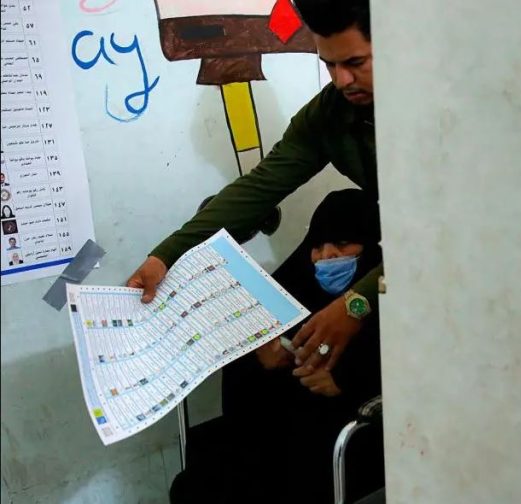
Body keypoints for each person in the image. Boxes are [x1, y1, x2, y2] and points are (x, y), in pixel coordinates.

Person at [127, 0, 380, 374]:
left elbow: (445, 232)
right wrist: (165, 256)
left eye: (355, 63)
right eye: (329, 65)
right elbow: (259, 188)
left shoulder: (442, 113)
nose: (341, 80)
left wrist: (359, 301)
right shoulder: (330, 112)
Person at [170, 189, 383, 503]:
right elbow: (244, 399)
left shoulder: (393, 302)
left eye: (342, 243)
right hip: (275, 438)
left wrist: (346, 380)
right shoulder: (296, 286)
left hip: (342, 448)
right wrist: (260, 357)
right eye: (317, 245)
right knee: (194, 483)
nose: (327, 256)